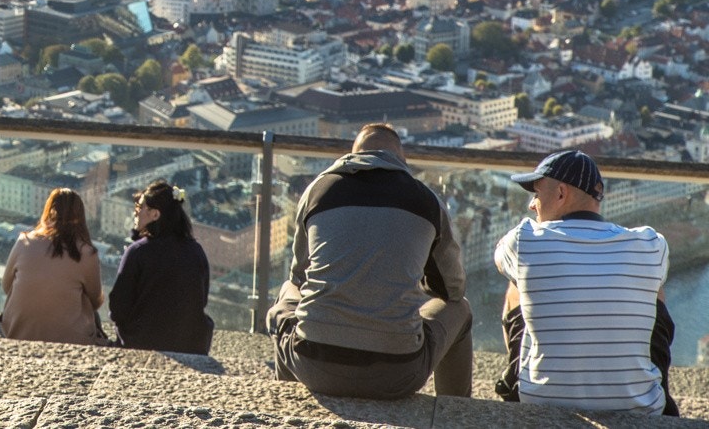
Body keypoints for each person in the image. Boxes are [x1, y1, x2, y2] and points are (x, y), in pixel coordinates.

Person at [267, 123, 472, 400]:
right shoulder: (427, 201)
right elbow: (452, 290)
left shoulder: (318, 190)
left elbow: (300, 279)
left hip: (313, 364)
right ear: (401, 160)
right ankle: (454, 411)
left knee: (285, 294)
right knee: (461, 309)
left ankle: (288, 403)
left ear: (353, 155)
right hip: (398, 373)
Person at [494, 149, 675, 414]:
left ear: (560, 193)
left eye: (536, 194)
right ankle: (648, 386)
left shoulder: (523, 240)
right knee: (651, 289)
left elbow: (500, 261)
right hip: (638, 405)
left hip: (539, 400)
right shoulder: (650, 244)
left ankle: (516, 375)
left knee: (517, 284)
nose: (532, 205)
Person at [108, 179, 212, 354]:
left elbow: (118, 308)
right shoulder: (196, 251)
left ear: (155, 215)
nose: (136, 213)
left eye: (140, 208)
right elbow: (201, 300)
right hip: (191, 345)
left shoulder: (138, 252)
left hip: (142, 343)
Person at [1, 187, 105, 345]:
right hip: (71, 340)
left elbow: (6, 286)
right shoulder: (87, 253)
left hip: (17, 333)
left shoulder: (24, 242)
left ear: (48, 211)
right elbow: (95, 301)